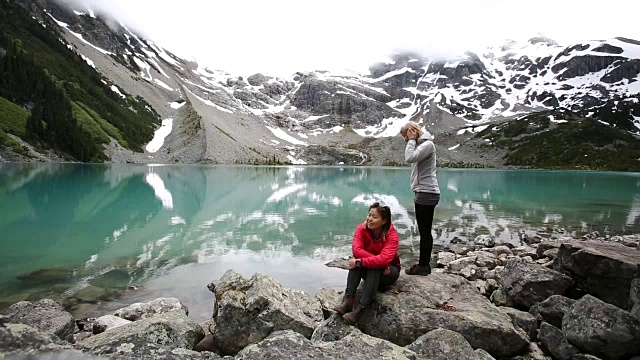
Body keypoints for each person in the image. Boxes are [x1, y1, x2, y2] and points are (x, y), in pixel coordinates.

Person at [333, 202, 401, 325]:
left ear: (384, 221)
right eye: (369, 215)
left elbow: (385, 259)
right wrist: (373, 261)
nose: (370, 219)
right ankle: (348, 301)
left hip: (390, 272)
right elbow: (356, 250)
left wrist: (368, 261)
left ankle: (360, 309)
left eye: (374, 217)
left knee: (368, 265)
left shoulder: (392, 235)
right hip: (380, 267)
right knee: (357, 262)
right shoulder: (362, 229)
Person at [400, 121, 440, 276]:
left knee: (424, 231)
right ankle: (424, 264)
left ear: (412, 131)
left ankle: (423, 266)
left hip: (427, 192)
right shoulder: (423, 145)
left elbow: (410, 157)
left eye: (406, 136)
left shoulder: (427, 145)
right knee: (424, 231)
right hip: (424, 192)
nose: (406, 140)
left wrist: (411, 140)